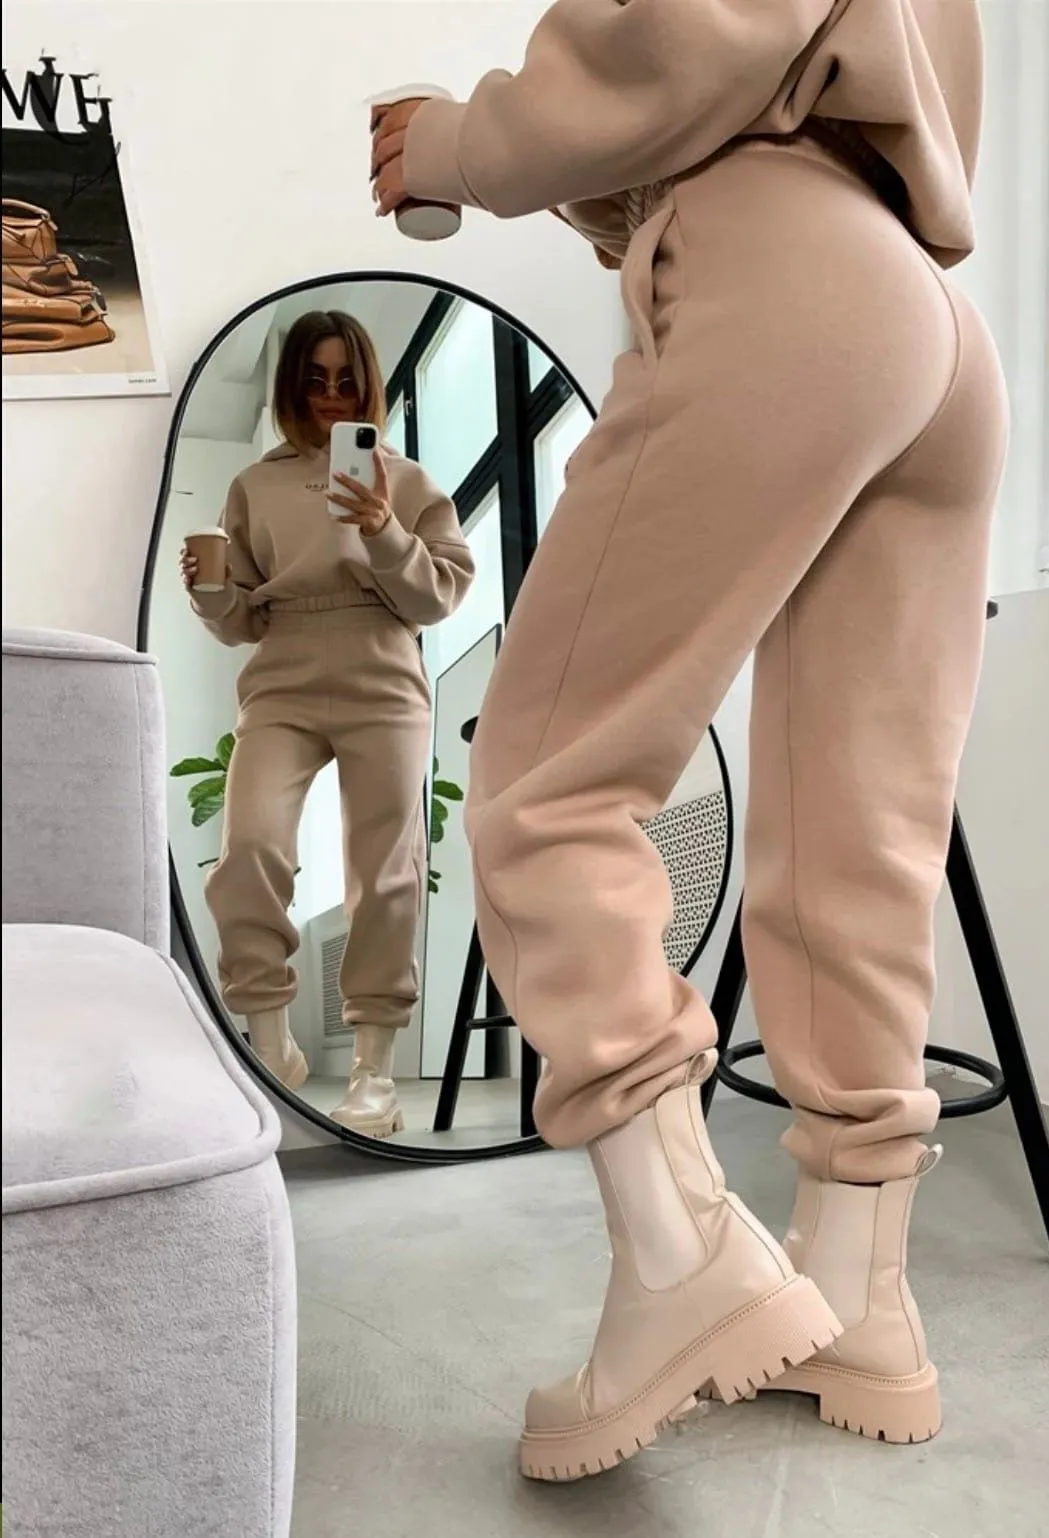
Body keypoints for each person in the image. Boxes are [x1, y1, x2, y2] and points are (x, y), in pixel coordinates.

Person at [370, 0, 1008, 1479]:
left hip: (784, 267)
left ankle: (680, 1257)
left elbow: (692, 32)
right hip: (927, 318)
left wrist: (464, 141)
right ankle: (857, 1293)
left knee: (546, 780)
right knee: (862, 833)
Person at [181, 310, 475, 1138]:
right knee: (249, 844)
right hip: (282, 668)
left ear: (369, 383)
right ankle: (270, 1042)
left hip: (382, 662)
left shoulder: (408, 479)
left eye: (348, 378)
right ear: (292, 385)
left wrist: (384, 530)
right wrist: (212, 594)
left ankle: (375, 1072)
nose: (333, 393)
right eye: (315, 377)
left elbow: (438, 597)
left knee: (386, 869)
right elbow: (242, 621)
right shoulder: (255, 485)